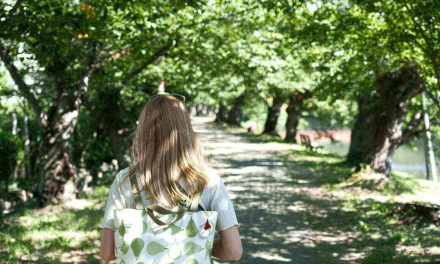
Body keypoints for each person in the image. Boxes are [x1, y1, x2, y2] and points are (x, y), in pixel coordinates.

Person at [99, 94, 242, 262]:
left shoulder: (125, 180)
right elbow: (233, 251)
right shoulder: (208, 181)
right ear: (186, 130)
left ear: (143, 131)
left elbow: (107, 253)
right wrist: (197, 244)